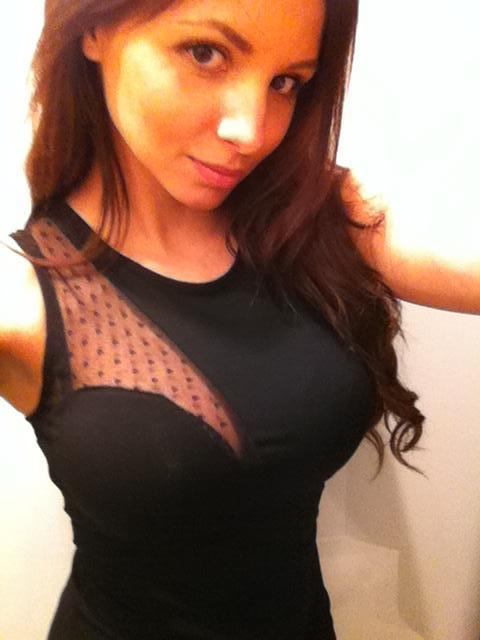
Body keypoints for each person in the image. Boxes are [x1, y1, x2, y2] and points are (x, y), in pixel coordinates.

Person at [0, 0, 478, 638]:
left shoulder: (310, 222)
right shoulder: (23, 296)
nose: (251, 131)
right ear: (93, 27)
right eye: (205, 53)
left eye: (286, 82)